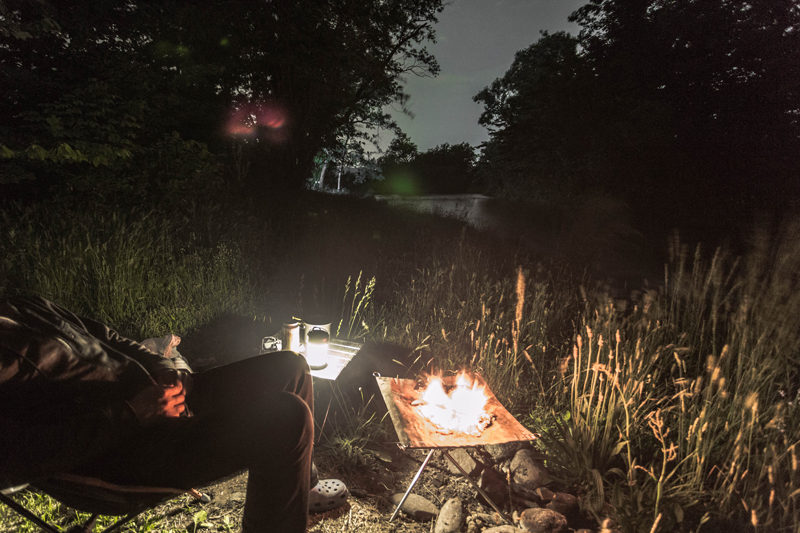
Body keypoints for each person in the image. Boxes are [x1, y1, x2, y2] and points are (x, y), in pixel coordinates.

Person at [0, 294, 347, 532]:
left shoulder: (24, 305)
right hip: (117, 452)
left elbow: (108, 337)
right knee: (285, 417)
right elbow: (17, 457)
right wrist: (134, 412)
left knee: (290, 366)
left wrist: (166, 368)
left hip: (157, 398)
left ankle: (303, 487)